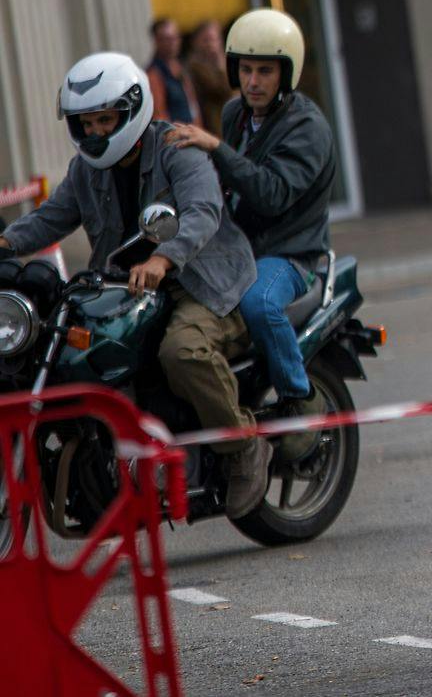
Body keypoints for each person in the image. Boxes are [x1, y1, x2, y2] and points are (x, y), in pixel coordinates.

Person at [0, 53, 269, 515]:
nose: (96, 132)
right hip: (130, 291)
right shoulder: (86, 169)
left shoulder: (176, 149)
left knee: (181, 352)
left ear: (131, 110)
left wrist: (164, 258)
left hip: (202, 284)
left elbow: (203, 211)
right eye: (87, 123)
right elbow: (49, 219)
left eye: (106, 120)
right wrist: (5, 240)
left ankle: (243, 447)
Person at [166, 9, 337, 463]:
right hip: (240, 248)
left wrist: (217, 149)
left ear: (288, 71)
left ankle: (301, 400)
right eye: (245, 69)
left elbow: (272, 194)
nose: (254, 80)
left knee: (259, 302)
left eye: (265, 70)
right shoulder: (235, 112)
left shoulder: (308, 127)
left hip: (291, 255)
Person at [145, 17, 199, 128]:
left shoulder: (181, 67)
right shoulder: (154, 74)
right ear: (156, 41)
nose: (173, 43)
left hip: (193, 133)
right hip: (176, 139)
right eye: (167, 39)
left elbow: (192, 104)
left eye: (175, 37)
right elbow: (159, 116)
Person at [186, 19, 232, 133]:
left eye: (215, 39)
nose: (212, 44)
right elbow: (223, 90)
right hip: (213, 127)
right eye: (207, 40)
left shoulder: (227, 61)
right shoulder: (194, 66)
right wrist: (220, 63)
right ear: (196, 42)